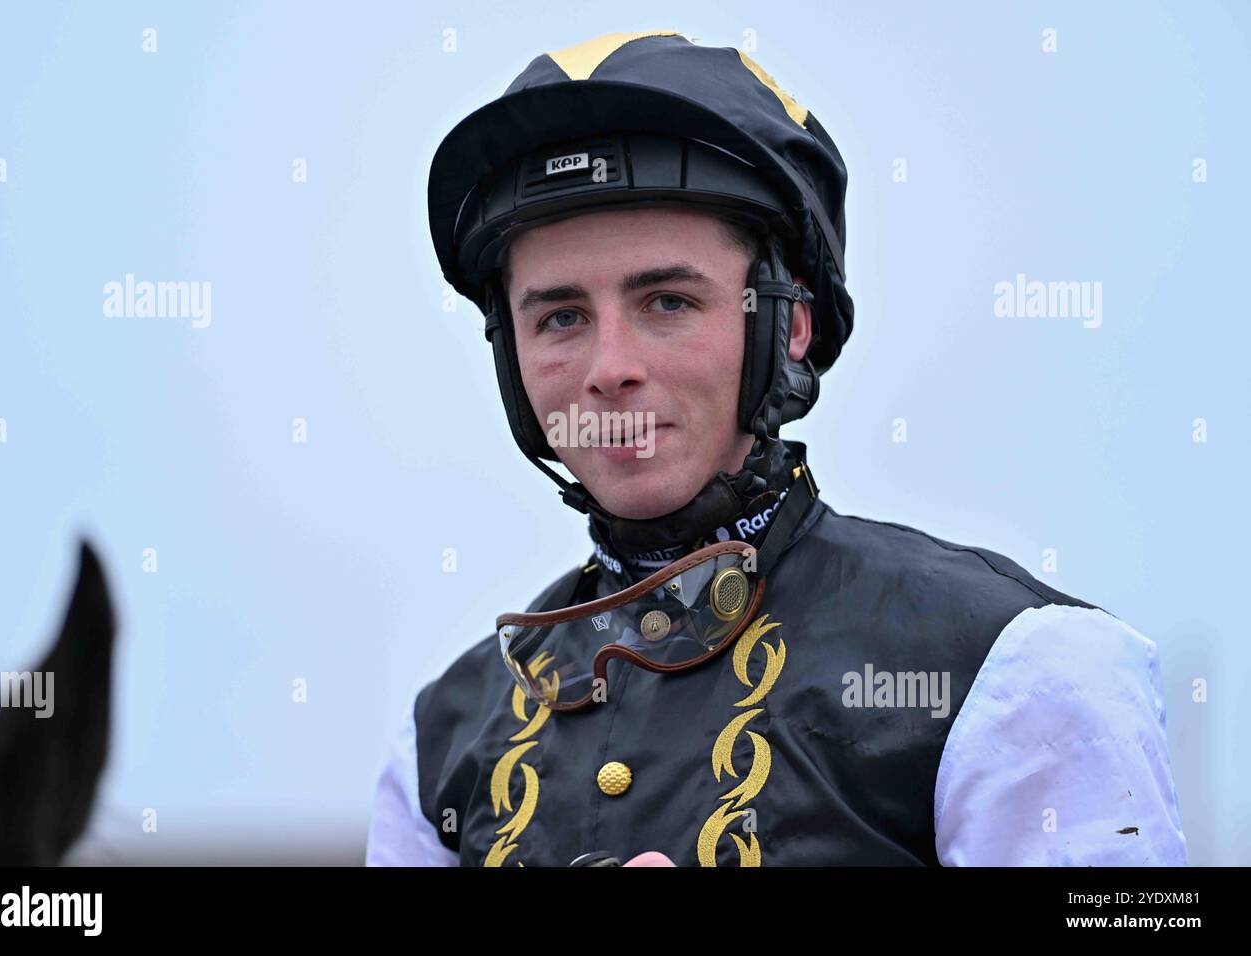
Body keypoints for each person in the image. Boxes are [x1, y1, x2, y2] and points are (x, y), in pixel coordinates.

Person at [367, 30, 1187, 867]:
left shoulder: (1022, 664)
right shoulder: (440, 740)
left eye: (669, 302)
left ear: (789, 325)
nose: (609, 369)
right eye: (561, 318)